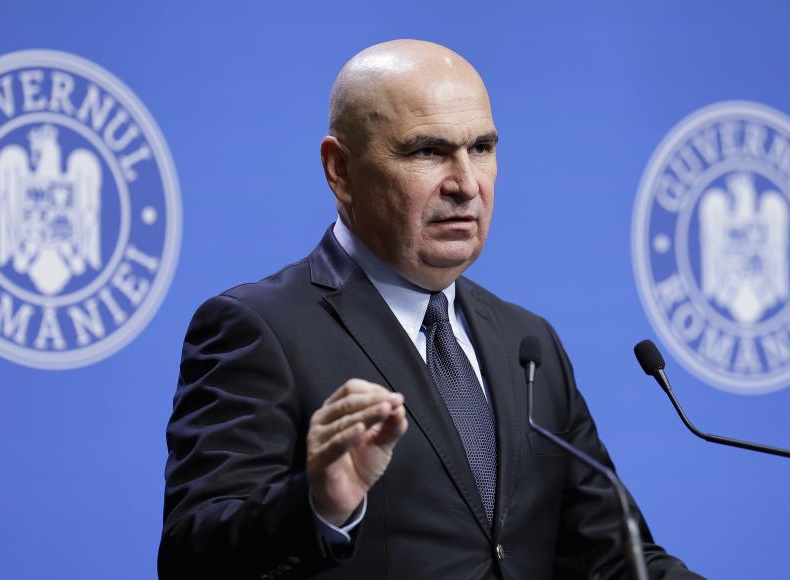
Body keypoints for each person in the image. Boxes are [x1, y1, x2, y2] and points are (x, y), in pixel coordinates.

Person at [159, 39, 703, 580]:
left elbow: (614, 557)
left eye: (482, 148)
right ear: (340, 170)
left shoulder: (527, 343)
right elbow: (191, 559)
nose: (466, 184)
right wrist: (318, 506)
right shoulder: (260, 329)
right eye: (427, 152)